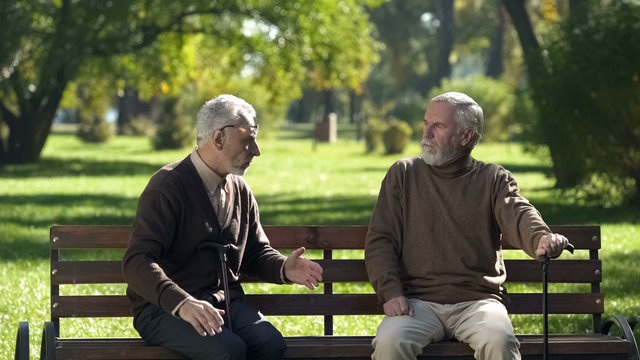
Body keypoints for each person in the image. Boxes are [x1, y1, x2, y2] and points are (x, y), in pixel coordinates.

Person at [364, 91, 570, 360]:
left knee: (500, 341)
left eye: (437, 126)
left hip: (479, 302)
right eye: (426, 124)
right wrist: (391, 293)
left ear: (467, 137)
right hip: (417, 303)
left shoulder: (493, 179)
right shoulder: (403, 174)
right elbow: (381, 239)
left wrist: (540, 238)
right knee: (391, 342)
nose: (426, 134)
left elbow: (519, 213)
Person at [123, 94, 323, 360]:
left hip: (224, 303)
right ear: (219, 138)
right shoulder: (167, 187)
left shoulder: (240, 190)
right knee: (228, 351)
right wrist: (182, 303)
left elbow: (254, 253)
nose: (256, 150)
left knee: (270, 344)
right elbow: (137, 261)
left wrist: (283, 268)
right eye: (247, 140)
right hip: (164, 309)